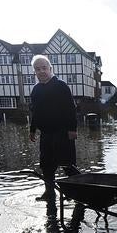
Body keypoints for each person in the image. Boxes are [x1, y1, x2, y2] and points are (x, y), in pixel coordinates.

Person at [29, 55, 79, 203]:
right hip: (46, 134)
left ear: (50, 69)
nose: (41, 71)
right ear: (35, 72)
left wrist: (72, 129)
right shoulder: (36, 90)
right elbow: (35, 112)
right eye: (38, 69)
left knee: (68, 164)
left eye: (44, 68)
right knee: (46, 165)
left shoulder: (61, 86)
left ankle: (77, 193)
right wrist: (32, 130)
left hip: (63, 133)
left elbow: (71, 109)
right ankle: (49, 193)